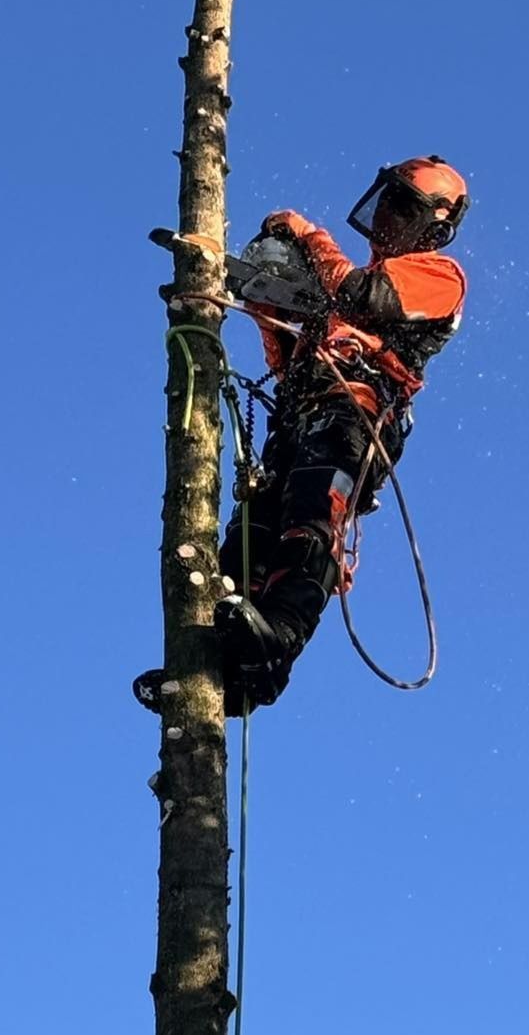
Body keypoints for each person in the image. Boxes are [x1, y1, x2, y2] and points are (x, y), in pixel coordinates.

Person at [135, 155, 469, 717]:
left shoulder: (438, 276)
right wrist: (260, 299)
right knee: (247, 538)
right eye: (387, 204)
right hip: (295, 420)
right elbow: (289, 355)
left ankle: (277, 644)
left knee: (311, 520)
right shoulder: (333, 302)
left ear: (433, 221)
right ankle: (212, 669)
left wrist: (309, 237)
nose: (388, 217)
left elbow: (359, 293)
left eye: (402, 207)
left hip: (355, 419)